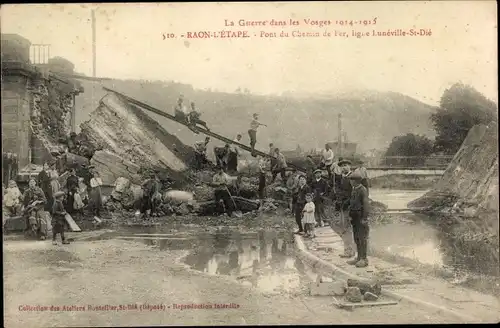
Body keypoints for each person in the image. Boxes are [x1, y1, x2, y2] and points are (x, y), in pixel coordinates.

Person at [329, 159, 356, 258]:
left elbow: (354, 194)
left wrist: (347, 203)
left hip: (350, 207)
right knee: (344, 228)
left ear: (350, 166)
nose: (344, 167)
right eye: (342, 166)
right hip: (343, 207)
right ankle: (348, 250)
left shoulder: (353, 178)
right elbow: (340, 192)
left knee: (348, 229)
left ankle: (350, 251)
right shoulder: (342, 178)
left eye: (345, 165)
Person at [346, 171, 370, 267]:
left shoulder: (362, 190)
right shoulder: (354, 189)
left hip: (360, 217)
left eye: (352, 180)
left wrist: (364, 217)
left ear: (356, 181)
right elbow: (352, 203)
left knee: (362, 238)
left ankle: (364, 259)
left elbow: (366, 205)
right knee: (356, 238)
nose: (351, 182)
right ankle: (359, 257)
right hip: (354, 217)